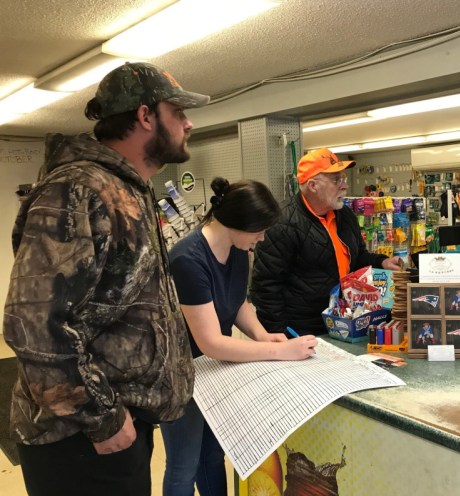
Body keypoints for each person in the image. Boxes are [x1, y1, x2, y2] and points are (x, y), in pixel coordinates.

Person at [3, 62, 208, 495]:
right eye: (178, 112)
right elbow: (35, 325)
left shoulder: (126, 187)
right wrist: (104, 419)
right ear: (145, 116)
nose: (189, 122)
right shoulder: (78, 189)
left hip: (117, 430)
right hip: (82, 438)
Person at [161, 177, 318, 496]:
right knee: (184, 464)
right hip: (178, 373)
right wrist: (281, 352)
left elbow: (237, 302)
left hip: (211, 373)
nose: (262, 238)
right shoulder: (187, 260)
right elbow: (211, 342)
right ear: (239, 223)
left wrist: (262, 335)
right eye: (259, 230)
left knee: (212, 456)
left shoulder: (236, 248)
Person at [250, 148, 401, 335]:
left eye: (343, 178)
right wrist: (279, 335)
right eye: (336, 180)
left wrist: (382, 262)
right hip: (301, 329)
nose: (344, 186)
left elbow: (358, 256)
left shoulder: (344, 215)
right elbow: (265, 287)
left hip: (344, 321)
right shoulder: (282, 223)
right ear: (313, 185)